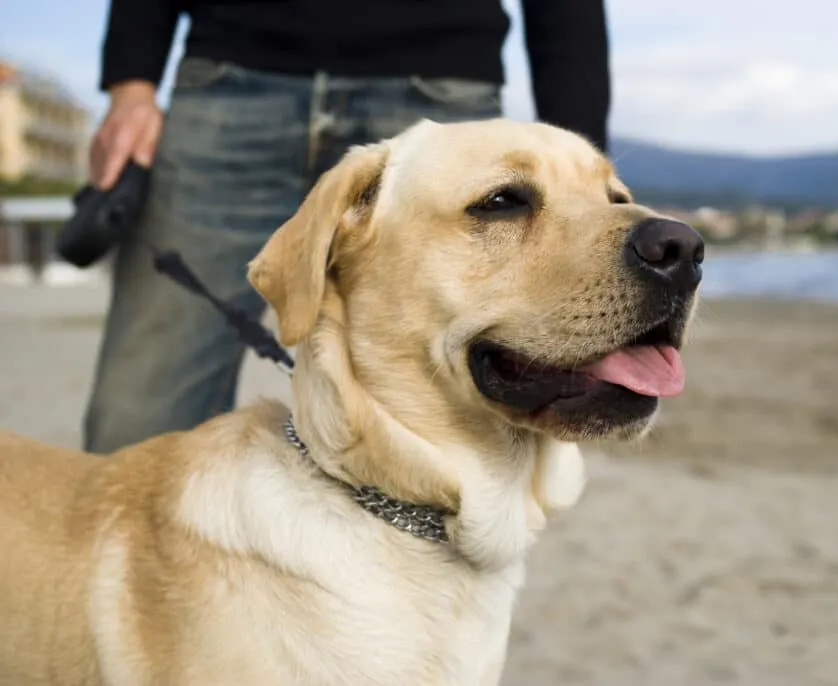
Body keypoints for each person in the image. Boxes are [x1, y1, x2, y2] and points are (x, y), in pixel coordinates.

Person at [83, 0, 612, 453]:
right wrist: (132, 84)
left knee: (463, 421)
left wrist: (585, 176)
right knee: (137, 419)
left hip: (440, 79)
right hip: (228, 75)